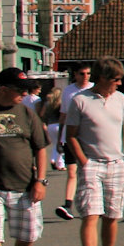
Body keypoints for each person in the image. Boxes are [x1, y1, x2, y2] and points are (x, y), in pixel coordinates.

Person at [63, 56, 124, 246]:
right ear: (102, 77)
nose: (119, 83)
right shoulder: (80, 100)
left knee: (112, 215)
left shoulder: (120, 99)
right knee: (91, 214)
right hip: (92, 163)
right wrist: (84, 161)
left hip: (116, 163)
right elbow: (71, 135)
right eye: (115, 79)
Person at [0, 67, 51, 246]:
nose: (24, 94)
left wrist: (41, 181)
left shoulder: (27, 113)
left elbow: (40, 148)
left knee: (28, 235)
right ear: (3, 89)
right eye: (20, 90)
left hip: (24, 185)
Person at [43, 63, 90, 221]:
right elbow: (63, 115)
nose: (85, 77)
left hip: (88, 137)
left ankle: (92, 204)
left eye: (88, 73)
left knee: (89, 172)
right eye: (82, 73)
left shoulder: (93, 89)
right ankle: (67, 205)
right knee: (72, 172)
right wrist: (60, 139)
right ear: (75, 74)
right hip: (70, 136)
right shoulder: (68, 91)